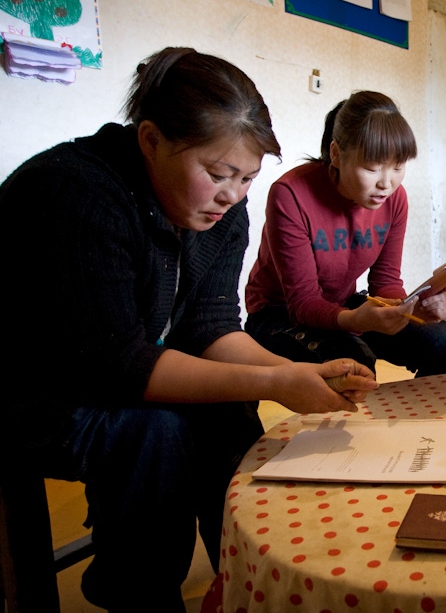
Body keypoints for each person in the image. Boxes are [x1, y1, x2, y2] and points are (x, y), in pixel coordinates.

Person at [0, 47, 378, 612]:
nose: (234, 195)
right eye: (219, 174)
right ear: (150, 140)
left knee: (225, 410)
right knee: (154, 431)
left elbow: (210, 325)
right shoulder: (74, 193)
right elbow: (118, 366)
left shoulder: (220, 211)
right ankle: (141, 594)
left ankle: (240, 577)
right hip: (34, 389)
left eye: (247, 177)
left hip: (118, 365)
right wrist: (275, 385)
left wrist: (296, 371)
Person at [245, 91, 446, 378]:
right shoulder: (291, 194)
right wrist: (354, 319)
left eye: (398, 167)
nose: (386, 183)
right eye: (372, 167)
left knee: (440, 338)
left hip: (342, 306)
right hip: (278, 313)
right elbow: (302, 303)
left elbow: (385, 282)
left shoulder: (394, 199)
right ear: (336, 154)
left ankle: (443, 423)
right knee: (352, 362)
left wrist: (410, 308)